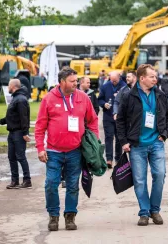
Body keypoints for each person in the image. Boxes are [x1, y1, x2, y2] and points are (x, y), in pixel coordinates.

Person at [34, 67, 99, 231]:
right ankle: (53, 216)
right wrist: (40, 148)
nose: (75, 84)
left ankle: (70, 216)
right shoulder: (48, 99)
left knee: (72, 185)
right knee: (50, 184)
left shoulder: (83, 98)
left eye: (76, 81)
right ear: (62, 82)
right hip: (54, 151)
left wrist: (94, 141)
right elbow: (40, 126)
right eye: (72, 81)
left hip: (75, 150)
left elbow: (92, 120)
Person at [117, 64, 168, 226]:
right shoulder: (129, 96)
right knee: (140, 180)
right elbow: (120, 120)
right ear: (142, 78)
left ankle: (155, 210)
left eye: (155, 76)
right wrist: (124, 141)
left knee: (160, 175)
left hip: (156, 142)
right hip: (137, 144)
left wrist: (165, 133)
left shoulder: (160, 94)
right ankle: (144, 212)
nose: (155, 79)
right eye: (152, 76)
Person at [0, 79, 32, 189]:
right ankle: (14, 181)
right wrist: (0, 121)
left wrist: (25, 133)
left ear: (13, 86)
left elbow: (24, 118)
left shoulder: (20, 100)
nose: (8, 88)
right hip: (12, 133)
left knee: (20, 157)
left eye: (9, 86)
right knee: (11, 157)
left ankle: (27, 180)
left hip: (19, 133)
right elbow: (12, 117)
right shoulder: (16, 98)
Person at [98, 71, 126, 168]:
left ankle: (118, 159)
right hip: (108, 116)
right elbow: (100, 99)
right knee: (108, 137)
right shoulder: (105, 86)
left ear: (119, 77)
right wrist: (104, 104)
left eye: (115, 81)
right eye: (112, 80)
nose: (113, 82)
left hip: (120, 117)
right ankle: (109, 159)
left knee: (119, 138)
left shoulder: (124, 86)